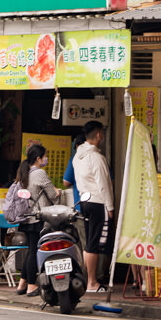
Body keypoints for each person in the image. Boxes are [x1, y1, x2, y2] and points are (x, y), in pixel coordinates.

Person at [5, 146, 61, 296]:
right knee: (34, 252)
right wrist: (57, 191)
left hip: (26, 218)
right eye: (45, 156)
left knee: (31, 250)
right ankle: (31, 285)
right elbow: (53, 195)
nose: (45, 159)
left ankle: (22, 284)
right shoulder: (39, 173)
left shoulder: (24, 172)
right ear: (38, 158)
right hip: (37, 218)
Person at [72, 120, 115, 292]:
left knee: (89, 243)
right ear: (98, 135)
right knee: (95, 244)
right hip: (98, 202)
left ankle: (88, 279)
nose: (103, 138)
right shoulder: (96, 158)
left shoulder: (77, 156)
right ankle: (92, 282)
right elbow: (104, 184)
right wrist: (110, 208)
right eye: (102, 134)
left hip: (84, 201)